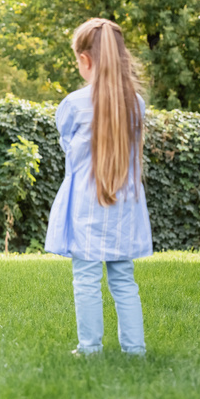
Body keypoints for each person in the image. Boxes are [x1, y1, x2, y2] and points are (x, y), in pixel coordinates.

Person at [45, 18, 152, 356]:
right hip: (125, 204)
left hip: (87, 204)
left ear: (84, 60)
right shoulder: (136, 103)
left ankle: (90, 348)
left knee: (86, 280)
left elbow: (68, 145)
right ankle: (134, 350)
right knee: (124, 280)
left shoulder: (74, 104)